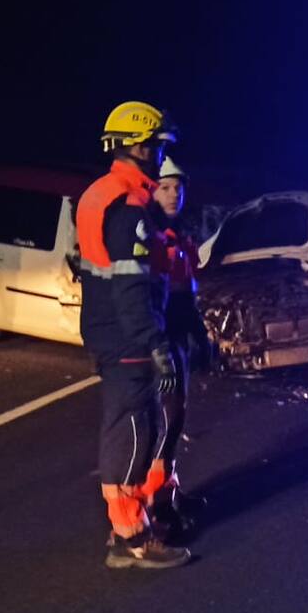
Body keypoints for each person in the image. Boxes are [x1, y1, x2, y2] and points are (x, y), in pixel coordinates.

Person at [75, 101, 190, 570]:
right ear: (140, 147)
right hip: (128, 338)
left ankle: (131, 526)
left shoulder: (103, 193)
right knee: (135, 431)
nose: (161, 157)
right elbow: (131, 288)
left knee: (132, 427)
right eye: (159, 147)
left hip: (112, 333)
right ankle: (131, 537)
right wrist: (155, 343)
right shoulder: (128, 207)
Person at [148, 157, 209, 536]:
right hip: (162, 342)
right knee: (165, 424)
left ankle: (168, 492)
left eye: (178, 188)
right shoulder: (152, 235)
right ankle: (157, 506)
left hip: (178, 340)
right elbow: (150, 302)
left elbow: (186, 293)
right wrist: (160, 351)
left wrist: (200, 336)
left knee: (177, 419)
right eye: (165, 187)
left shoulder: (178, 233)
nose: (173, 194)